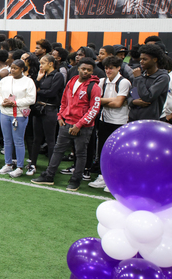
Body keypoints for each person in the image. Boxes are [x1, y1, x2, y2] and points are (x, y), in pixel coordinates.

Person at [32, 58, 102, 191]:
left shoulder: (95, 87)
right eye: (83, 69)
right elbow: (64, 100)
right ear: (78, 69)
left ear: (92, 72)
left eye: (89, 70)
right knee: (58, 150)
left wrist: (79, 125)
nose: (85, 71)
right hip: (66, 123)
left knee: (80, 154)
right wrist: (60, 116)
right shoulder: (72, 81)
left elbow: (94, 109)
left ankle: (75, 180)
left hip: (83, 127)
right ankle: (49, 176)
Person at [88, 56, 132, 189]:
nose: (108, 70)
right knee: (102, 150)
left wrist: (101, 101)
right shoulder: (102, 81)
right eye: (106, 68)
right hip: (104, 119)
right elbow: (94, 100)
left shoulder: (124, 82)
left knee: (117, 152)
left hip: (119, 121)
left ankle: (115, 179)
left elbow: (118, 103)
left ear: (118, 68)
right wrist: (107, 101)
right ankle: (103, 176)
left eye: (111, 68)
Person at [0, 59, 36, 178]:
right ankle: (8, 164)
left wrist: (15, 103)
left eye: (15, 68)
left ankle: (19, 167)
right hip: (4, 113)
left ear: (22, 69)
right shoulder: (5, 80)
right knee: (7, 140)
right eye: (11, 68)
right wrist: (2, 102)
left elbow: (31, 99)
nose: (12, 70)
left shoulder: (28, 82)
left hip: (19, 115)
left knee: (18, 141)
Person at [26, 54, 65, 176]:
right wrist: (37, 80)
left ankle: (51, 167)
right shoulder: (42, 76)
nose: (40, 65)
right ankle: (32, 163)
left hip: (50, 109)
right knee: (36, 138)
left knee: (50, 139)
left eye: (43, 63)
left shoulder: (58, 75)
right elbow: (33, 90)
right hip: (39, 109)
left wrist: (39, 91)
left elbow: (52, 93)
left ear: (50, 64)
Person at [128, 44, 170, 121]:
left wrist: (138, 78)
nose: (141, 62)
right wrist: (133, 102)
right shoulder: (140, 74)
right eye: (141, 59)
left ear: (155, 59)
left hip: (150, 120)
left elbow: (148, 97)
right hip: (133, 118)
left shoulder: (162, 77)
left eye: (145, 59)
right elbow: (130, 94)